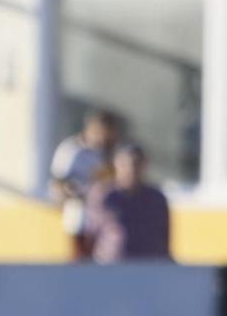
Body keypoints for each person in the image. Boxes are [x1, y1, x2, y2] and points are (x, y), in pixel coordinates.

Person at [84, 144, 170, 262]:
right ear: (115, 165)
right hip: (113, 264)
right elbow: (90, 234)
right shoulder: (104, 195)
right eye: (124, 165)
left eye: (136, 164)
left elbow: (164, 235)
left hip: (150, 264)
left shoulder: (156, 198)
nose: (131, 169)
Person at [51, 110, 119, 260]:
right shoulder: (72, 150)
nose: (103, 140)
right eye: (101, 134)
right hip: (80, 220)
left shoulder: (106, 152)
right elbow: (58, 185)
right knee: (81, 261)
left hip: (105, 222)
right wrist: (79, 192)